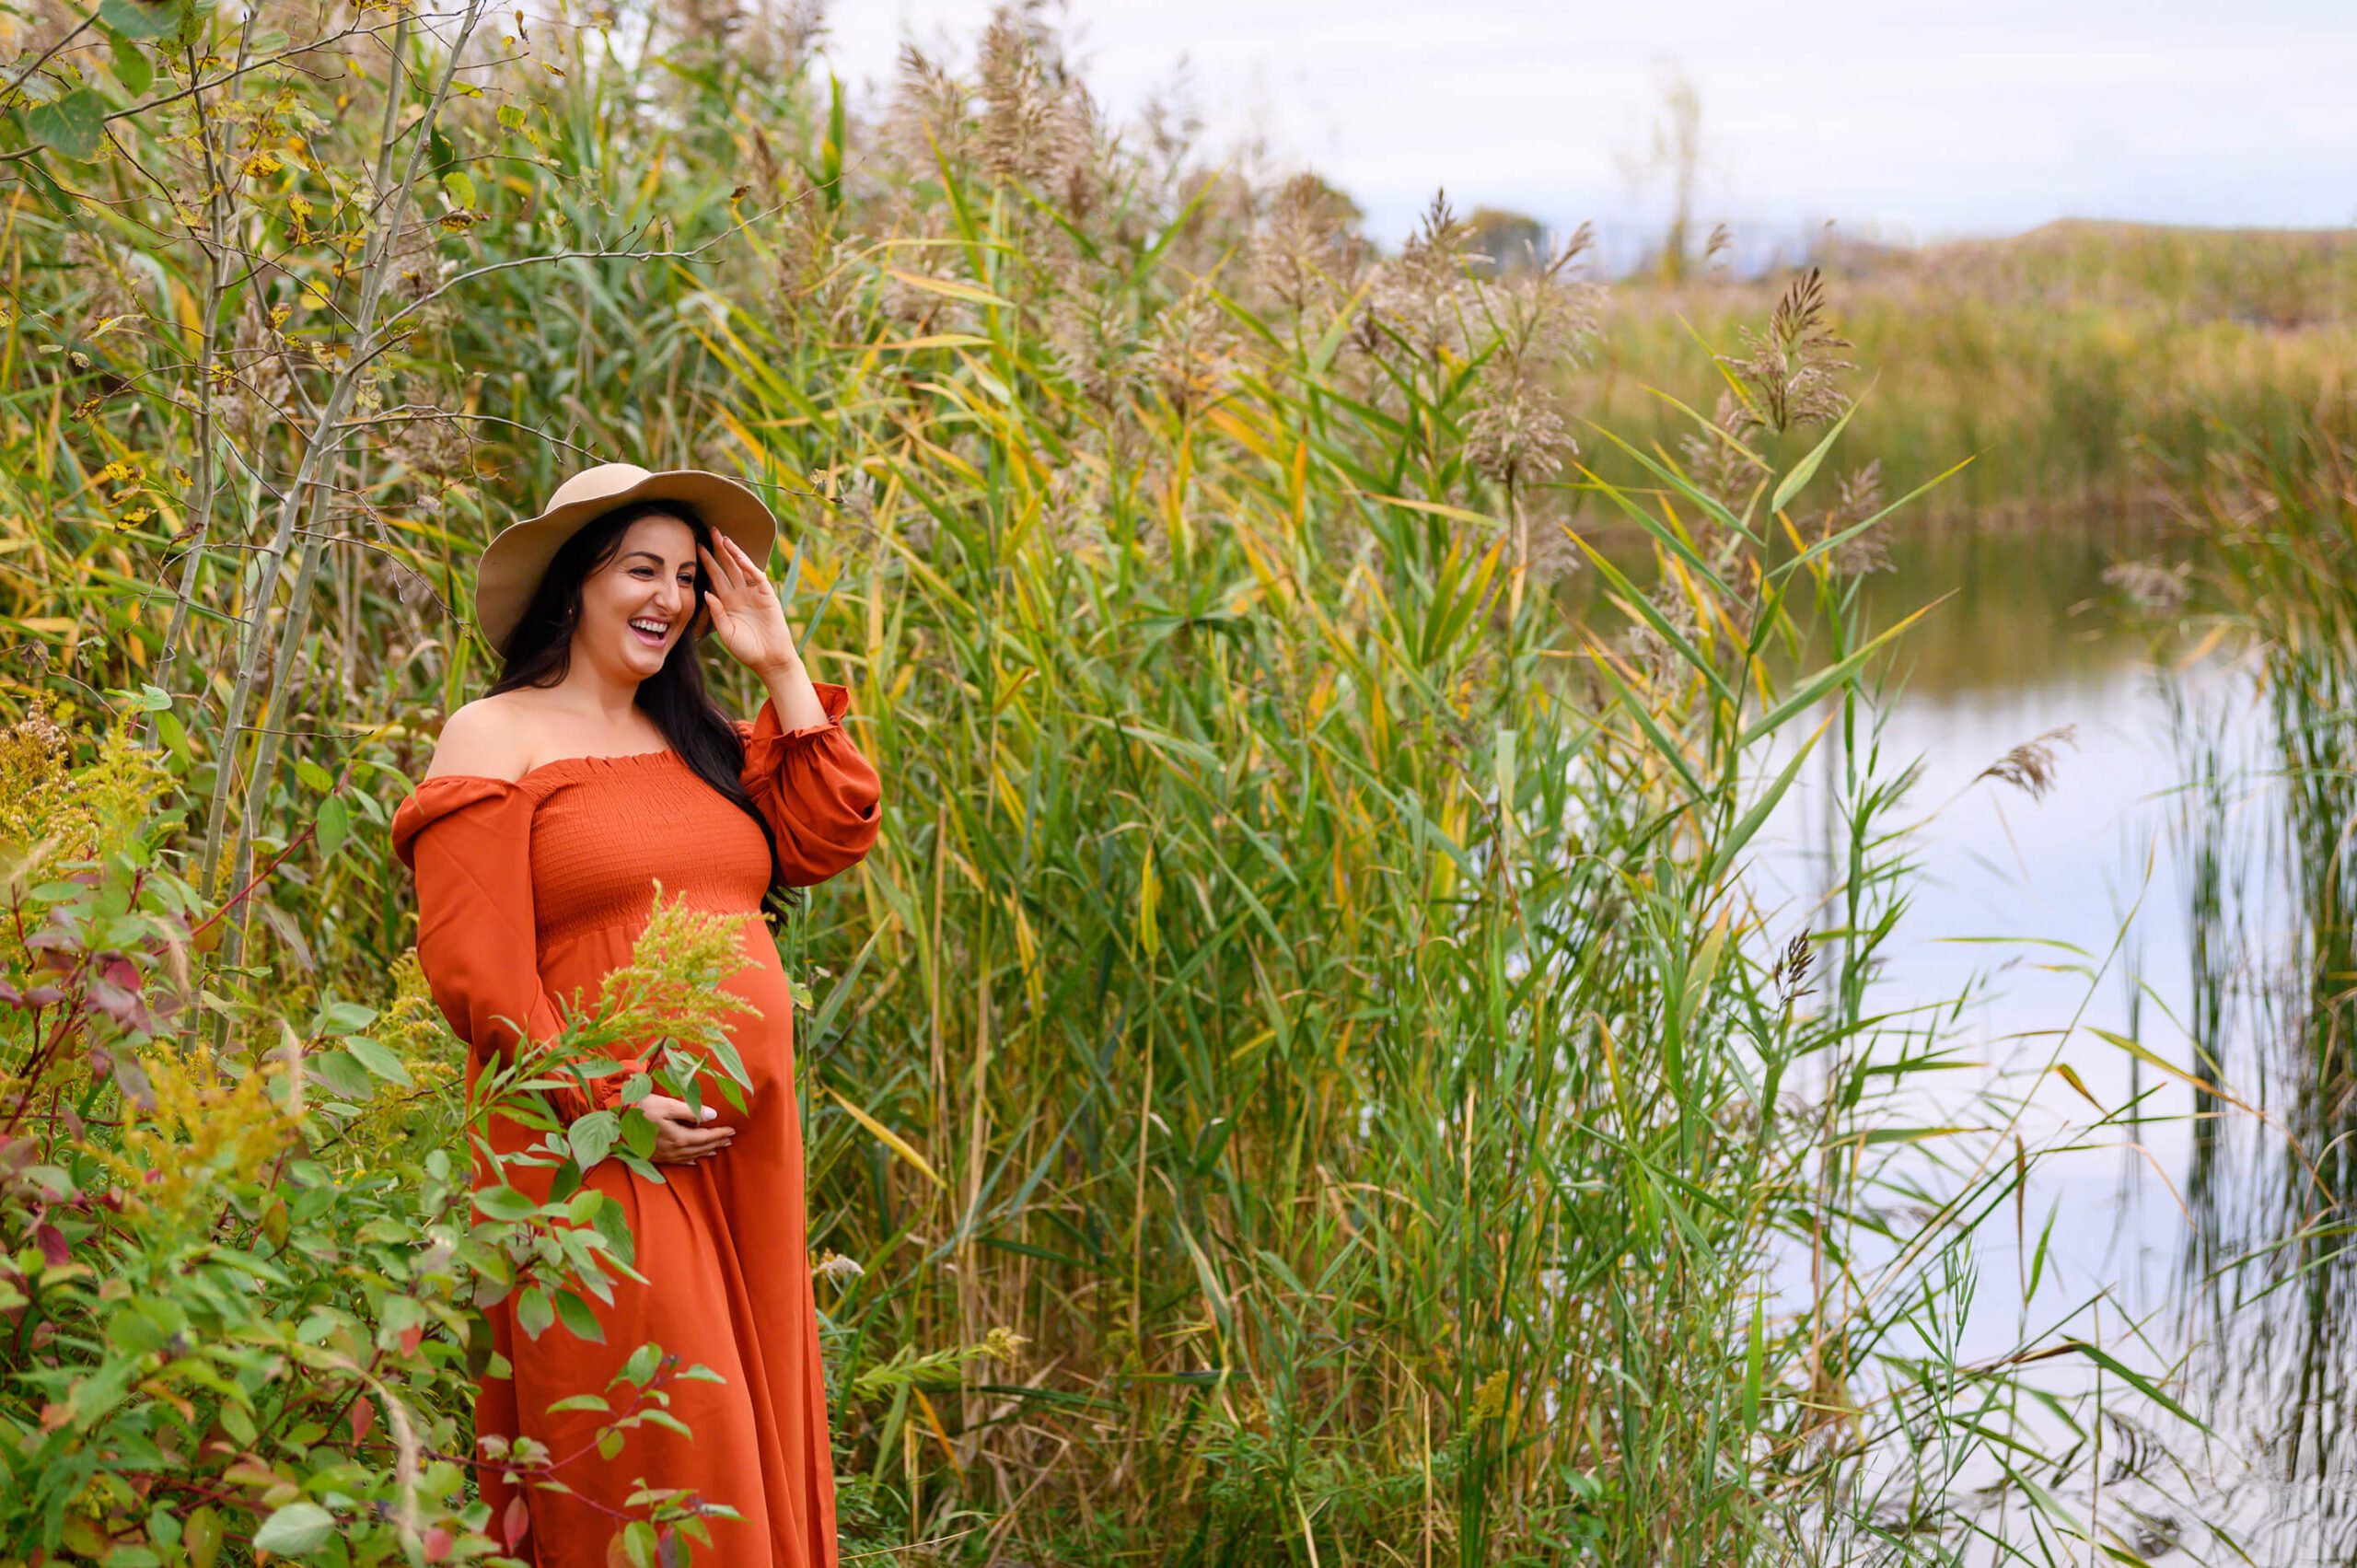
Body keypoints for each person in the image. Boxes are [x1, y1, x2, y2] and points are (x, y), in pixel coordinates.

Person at [388, 462, 881, 1566]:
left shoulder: (698, 738)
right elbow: (474, 968)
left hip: (740, 1155)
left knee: (740, 1431)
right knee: (661, 1448)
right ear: (574, 585)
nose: (666, 595)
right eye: (639, 568)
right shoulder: (495, 732)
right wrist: (606, 1102)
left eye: (686, 575)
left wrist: (781, 659)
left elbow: (831, 831)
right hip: (591, 1145)